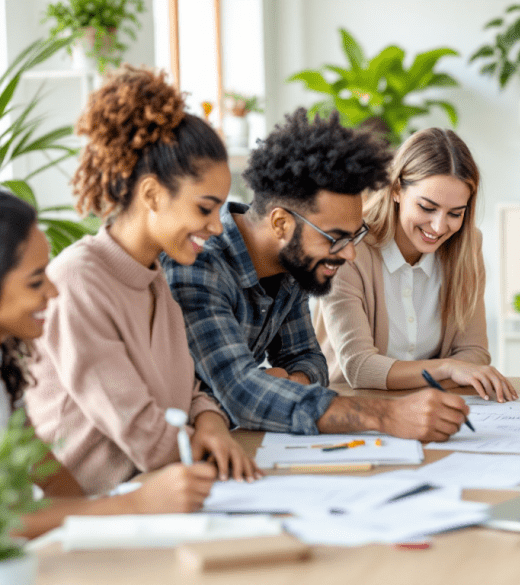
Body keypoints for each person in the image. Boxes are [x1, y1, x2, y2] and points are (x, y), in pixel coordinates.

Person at [163, 110, 470, 442]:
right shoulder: (197, 265)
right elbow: (240, 391)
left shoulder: (291, 266)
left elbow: (310, 361)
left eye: (353, 237)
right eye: (335, 238)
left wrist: (290, 383)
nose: (349, 254)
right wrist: (388, 415)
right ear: (281, 223)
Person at [24, 67, 257, 495]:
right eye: (205, 209)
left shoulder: (154, 280)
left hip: (153, 494)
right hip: (91, 517)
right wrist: (208, 444)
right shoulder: (78, 282)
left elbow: (188, 392)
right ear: (151, 195)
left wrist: (211, 424)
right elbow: (145, 438)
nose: (217, 227)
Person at [1, 191, 218, 539]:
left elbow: (42, 466)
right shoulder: (83, 279)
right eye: (36, 281)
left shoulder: (7, 364)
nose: (53, 293)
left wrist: (102, 520)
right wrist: (131, 506)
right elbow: (5, 521)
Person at [313, 128, 515, 401]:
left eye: (455, 213)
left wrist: (450, 374)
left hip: (432, 406)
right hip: (354, 408)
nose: (439, 226)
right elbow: (359, 367)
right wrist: (447, 369)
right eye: (427, 208)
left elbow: (474, 353)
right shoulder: (350, 248)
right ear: (396, 190)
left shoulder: (466, 246)